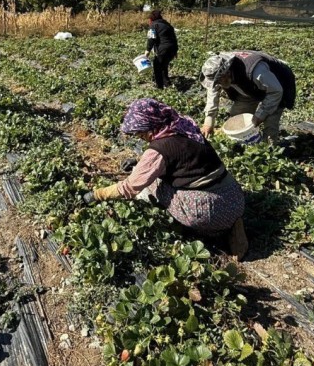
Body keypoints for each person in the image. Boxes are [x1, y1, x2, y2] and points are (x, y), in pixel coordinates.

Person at [88, 98, 248, 257]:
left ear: (150, 128)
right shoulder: (184, 126)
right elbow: (183, 157)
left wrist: (97, 195)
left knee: (153, 185)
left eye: (140, 133)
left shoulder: (158, 151)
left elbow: (129, 188)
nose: (140, 137)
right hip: (235, 197)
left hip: (210, 211)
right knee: (156, 175)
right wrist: (140, 162)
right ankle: (229, 223)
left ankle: (214, 231)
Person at [198, 50, 296, 141]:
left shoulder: (256, 71)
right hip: (250, 87)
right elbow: (213, 92)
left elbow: (276, 91)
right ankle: (241, 141)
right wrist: (208, 121)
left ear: (227, 73)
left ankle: (269, 146)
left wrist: (260, 115)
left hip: (278, 84)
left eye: (219, 81)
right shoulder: (218, 72)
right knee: (237, 117)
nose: (218, 84)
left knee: (270, 121)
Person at [143, 9, 178, 89]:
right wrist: (175, 51)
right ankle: (167, 84)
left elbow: (151, 38)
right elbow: (174, 38)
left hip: (164, 48)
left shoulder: (154, 25)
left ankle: (160, 87)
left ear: (151, 19)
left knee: (157, 66)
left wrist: (147, 50)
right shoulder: (168, 24)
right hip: (172, 48)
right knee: (164, 65)